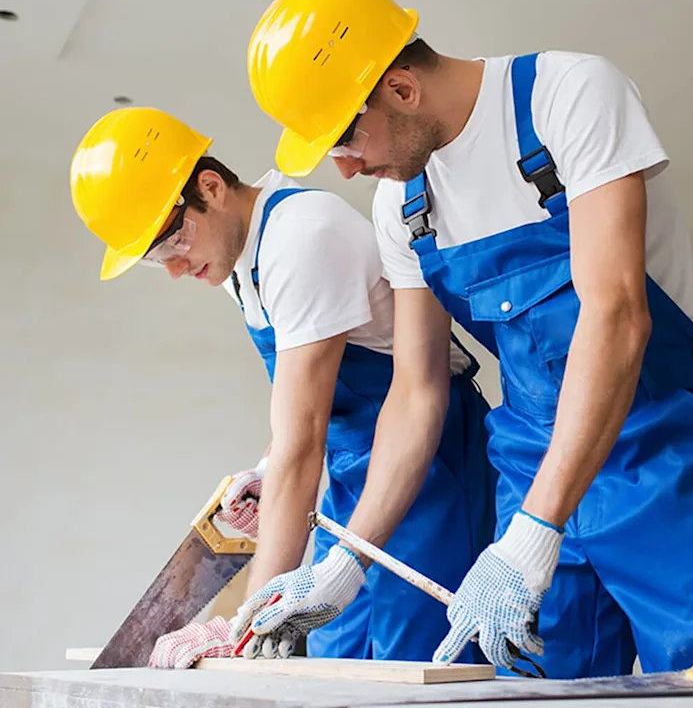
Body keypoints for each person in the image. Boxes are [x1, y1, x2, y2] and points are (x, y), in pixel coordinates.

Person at [241, 0, 693, 678]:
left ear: (401, 88)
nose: (345, 169)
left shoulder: (569, 96)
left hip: (664, 462)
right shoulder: (405, 207)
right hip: (528, 461)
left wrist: (537, 530)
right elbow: (416, 391)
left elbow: (616, 314)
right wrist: (349, 559)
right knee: (532, 693)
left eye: (345, 139)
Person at [69, 106, 496, 668]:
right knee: (332, 662)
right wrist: (267, 473)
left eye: (171, 244)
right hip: (350, 477)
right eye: (154, 260)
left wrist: (239, 626)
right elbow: (298, 420)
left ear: (211, 186)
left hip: (427, 469)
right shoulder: (240, 266)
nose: (174, 268)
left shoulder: (300, 237)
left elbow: (304, 439)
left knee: (406, 666)